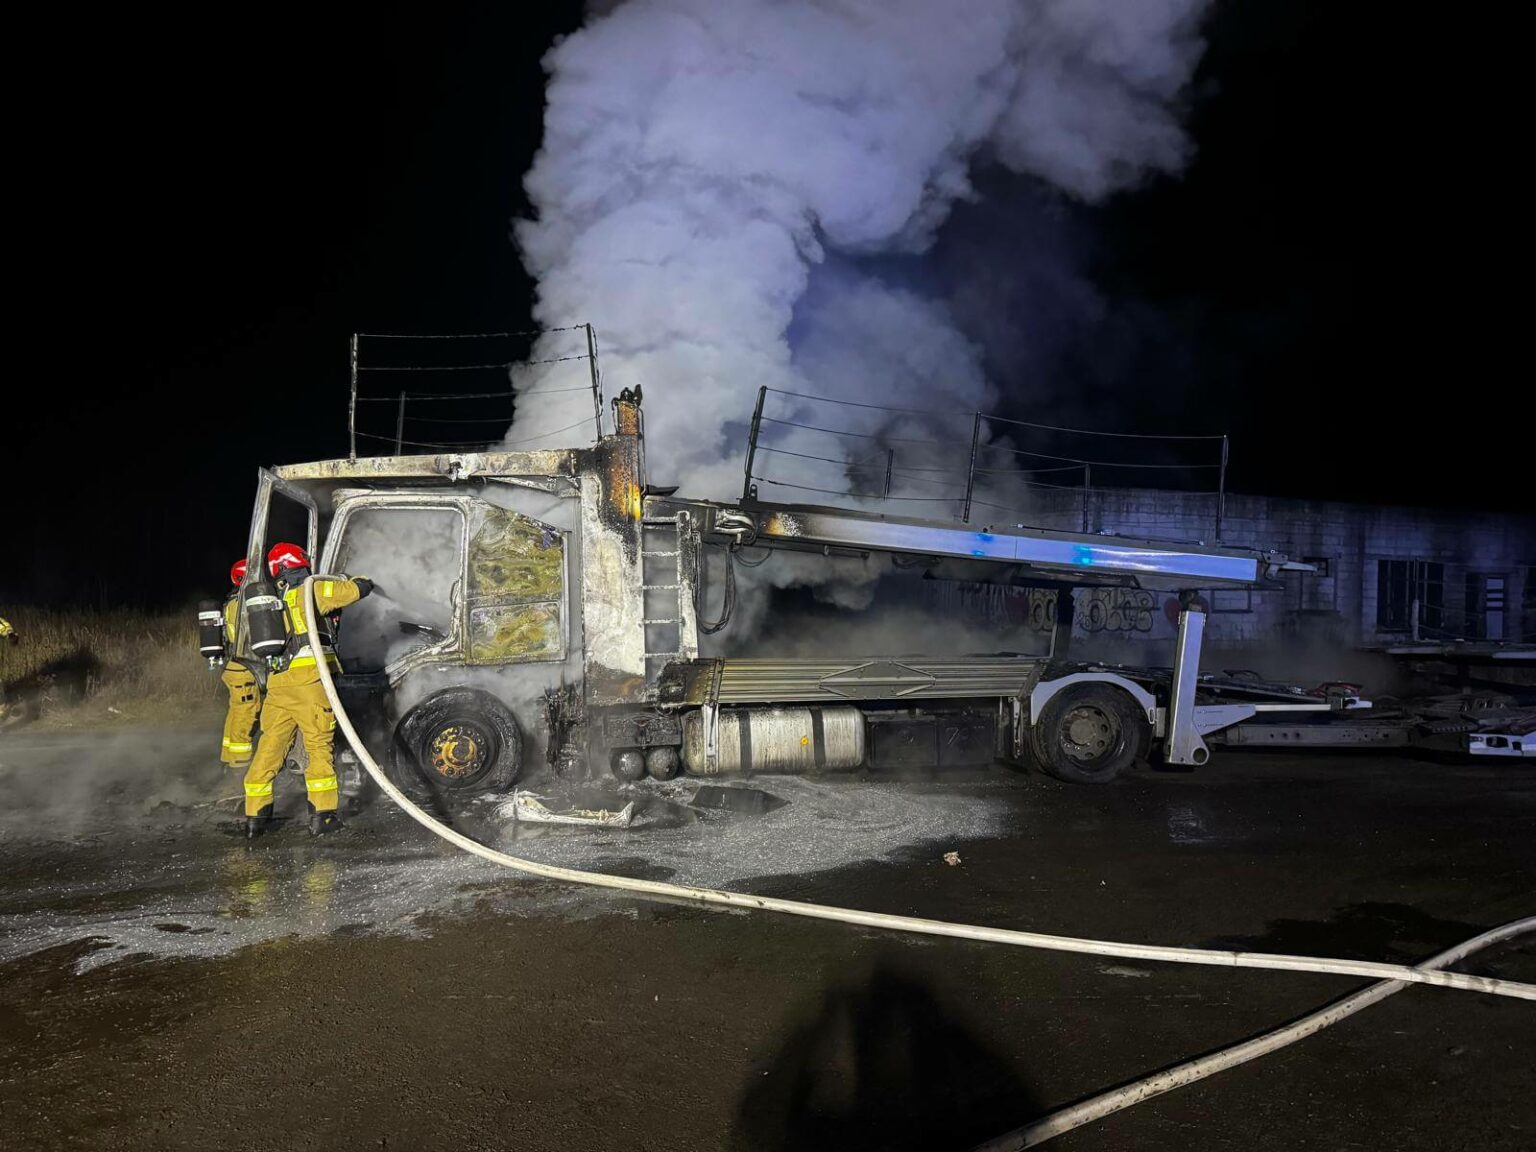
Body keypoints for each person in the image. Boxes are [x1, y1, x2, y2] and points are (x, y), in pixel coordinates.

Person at [241, 542, 374, 839]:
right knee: (318, 747)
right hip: (309, 682)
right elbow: (354, 592)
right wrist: (363, 581)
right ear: (299, 561)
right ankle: (323, 817)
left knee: (269, 748)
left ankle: (255, 817)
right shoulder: (311, 589)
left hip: (278, 684)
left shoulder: (275, 598)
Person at [218, 559, 261, 770]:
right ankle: (239, 763)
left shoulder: (232, 601)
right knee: (246, 711)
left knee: (236, 711)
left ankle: (228, 756)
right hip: (244, 668)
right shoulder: (241, 604)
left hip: (235, 667)